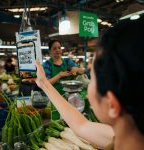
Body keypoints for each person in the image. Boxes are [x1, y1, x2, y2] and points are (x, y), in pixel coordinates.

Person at [35, 15, 144, 150]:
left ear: (112, 105)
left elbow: (82, 126)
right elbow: (82, 125)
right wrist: (44, 83)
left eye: (92, 77)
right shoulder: (127, 134)